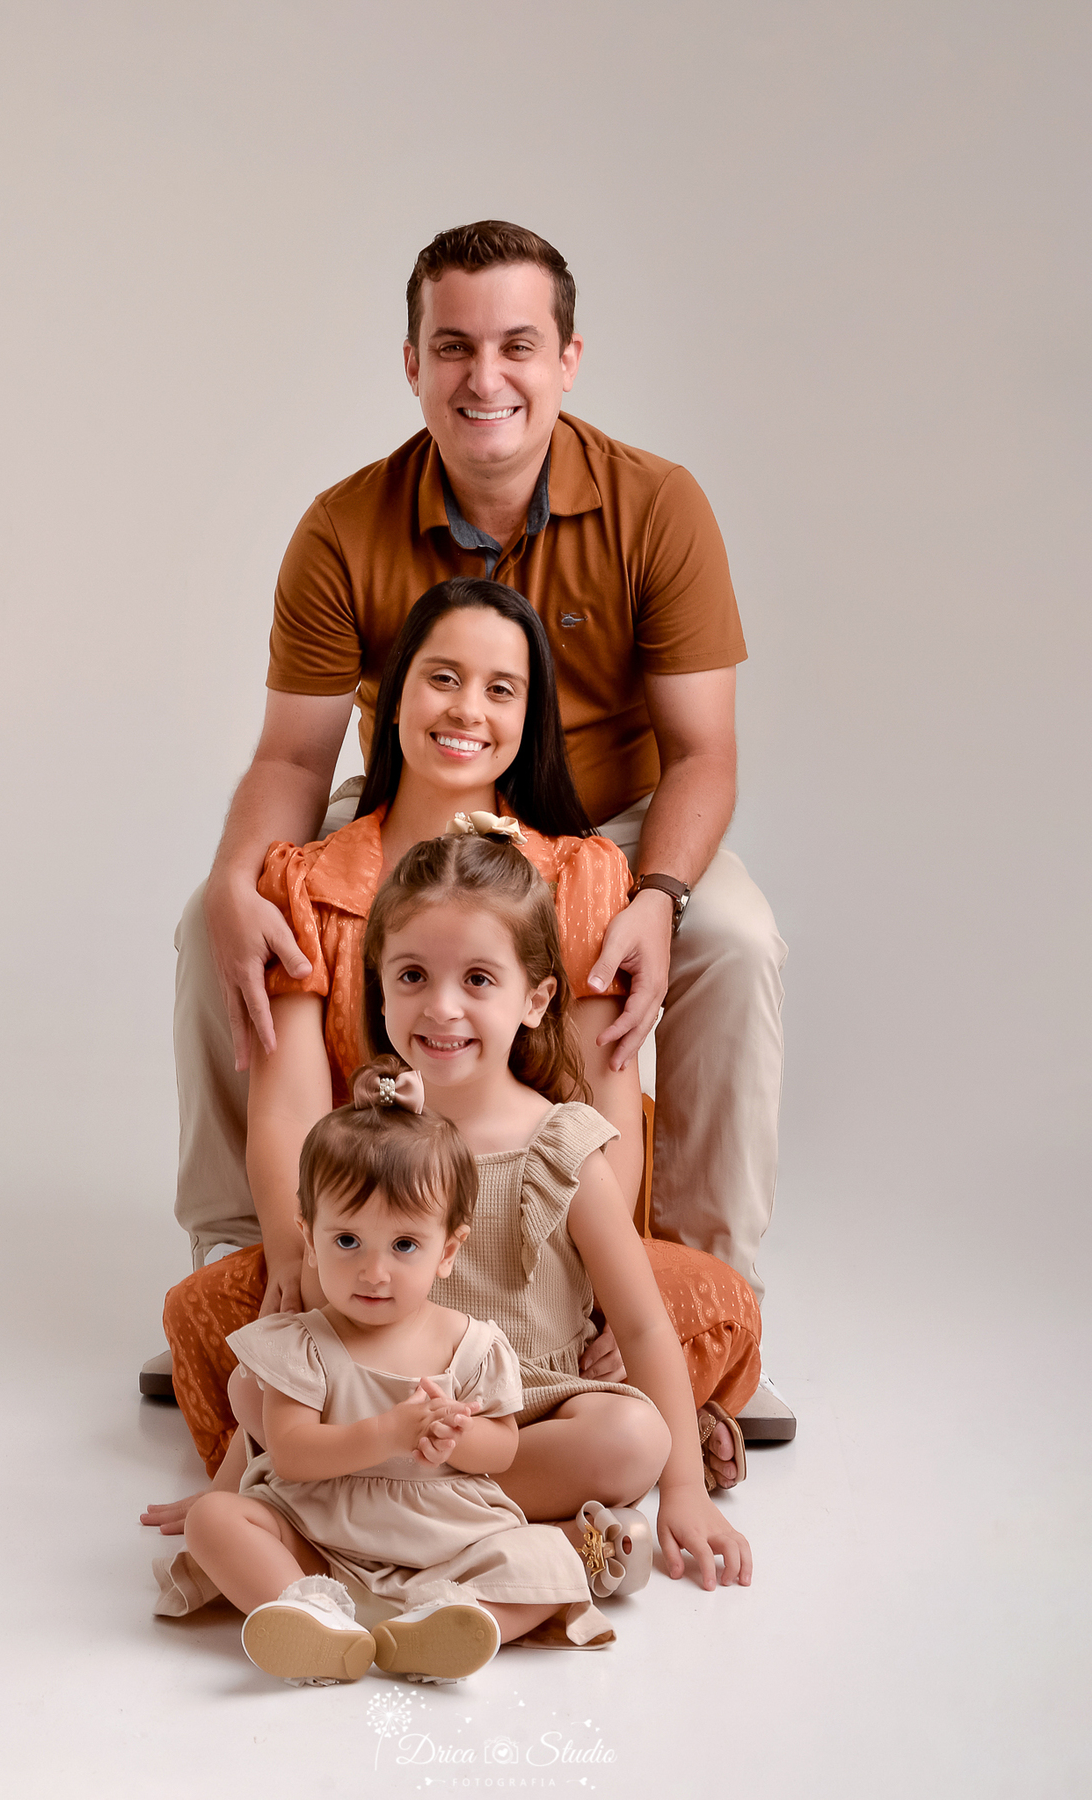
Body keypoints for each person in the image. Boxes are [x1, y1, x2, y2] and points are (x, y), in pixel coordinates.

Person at [167, 221, 790, 1393]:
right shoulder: (343, 524)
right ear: (412, 362)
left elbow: (706, 751)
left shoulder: (659, 505)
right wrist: (229, 883)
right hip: (409, 798)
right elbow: (294, 762)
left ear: (568, 357)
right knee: (228, 932)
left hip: (615, 821)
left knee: (735, 939)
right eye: (452, 347)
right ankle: (261, 1256)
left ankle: (683, 1279)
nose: (484, 377)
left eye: (516, 345)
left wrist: (656, 893)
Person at [147, 582, 758, 1496]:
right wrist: (300, 1252)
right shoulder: (313, 878)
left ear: (530, 717)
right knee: (208, 1317)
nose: (467, 708)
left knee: (716, 1305)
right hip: (373, 1250)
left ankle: (393, 1478)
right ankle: (449, 1466)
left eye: (501, 689)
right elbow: (289, 1107)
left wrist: (590, 1275)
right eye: (441, 678)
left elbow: (603, 1097)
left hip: (531, 1254)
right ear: (392, 700)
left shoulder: (580, 872)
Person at [163, 1063, 613, 1686]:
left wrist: (459, 1439)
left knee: (547, 1560)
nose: (374, 1273)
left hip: (446, 1536)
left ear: (447, 1252)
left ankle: (450, 1622)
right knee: (215, 1520)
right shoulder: (302, 1343)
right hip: (319, 1535)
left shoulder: (473, 1345)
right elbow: (290, 1452)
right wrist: (390, 1433)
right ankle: (311, 1615)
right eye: (348, 1241)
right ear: (309, 1238)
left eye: (404, 1246)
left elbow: (505, 1447)